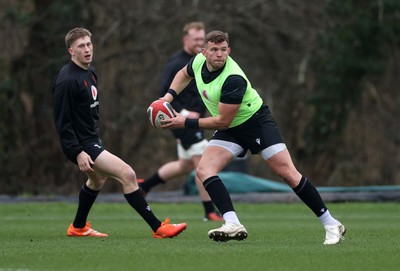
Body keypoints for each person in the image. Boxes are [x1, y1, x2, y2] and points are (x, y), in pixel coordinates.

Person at [159, 30, 346, 245]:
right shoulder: (198, 62)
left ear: (228, 50)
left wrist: (186, 122)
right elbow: (184, 74)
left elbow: (222, 122)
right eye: (214, 50)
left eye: (223, 50)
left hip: (256, 123)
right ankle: (232, 223)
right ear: (204, 52)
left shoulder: (233, 79)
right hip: (232, 128)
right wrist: (168, 97)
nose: (219, 54)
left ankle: (332, 224)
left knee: (287, 173)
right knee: (204, 169)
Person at [52, 27, 186, 238]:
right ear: (71, 51)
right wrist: (77, 151)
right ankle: (158, 228)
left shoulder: (89, 71)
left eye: (89, 44)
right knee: (127, 174)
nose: (87, 49)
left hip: (90, 139)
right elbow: (63, 122)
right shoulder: (67, 81)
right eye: (81, 46)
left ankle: (78, 227)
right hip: (82, 144)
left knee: (97, 181)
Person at [139, 22, 223, 221]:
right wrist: (182, 114)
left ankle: (144, 186)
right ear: (185, 40)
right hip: (182, 121)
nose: (199, 43)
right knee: (203, 164)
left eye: (202, 39)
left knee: (184, 165)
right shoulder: (176, 63)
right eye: (195, 39)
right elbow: (164, 94)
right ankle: (209, 211)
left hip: (193, 120)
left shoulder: (203, 60)